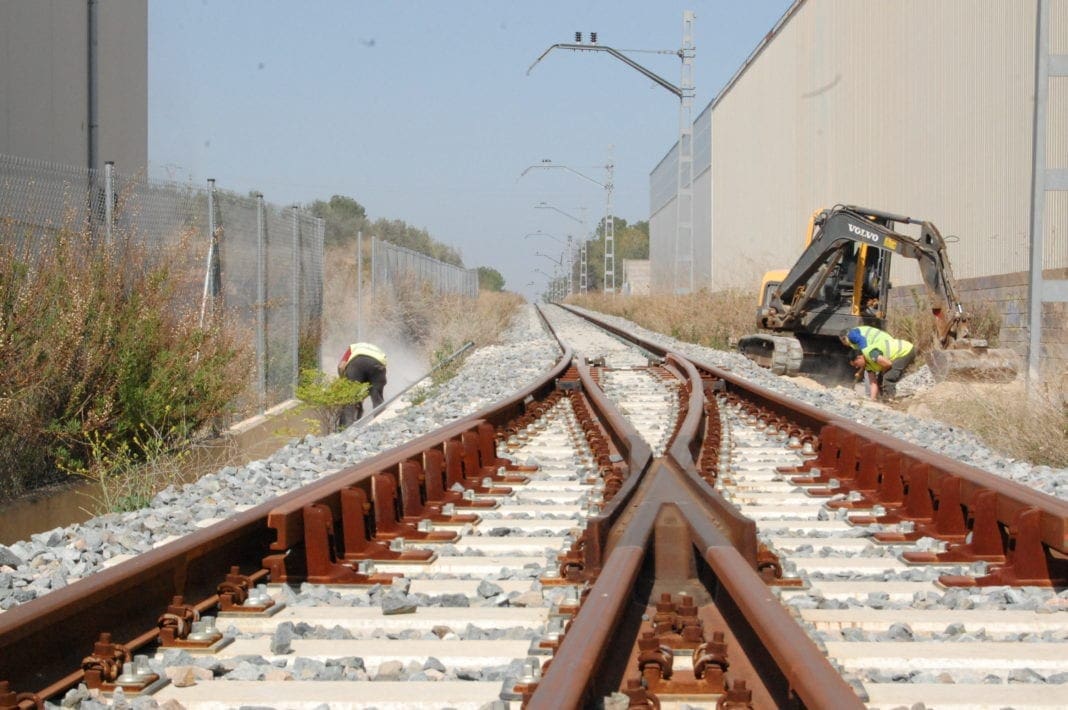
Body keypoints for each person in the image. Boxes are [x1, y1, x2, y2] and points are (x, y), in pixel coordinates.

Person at [842, 325, 916, 400]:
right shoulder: (868, 366)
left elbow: (888, 364)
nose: (856, 367)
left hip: (905, 351)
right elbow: (873, 383)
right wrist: (872, 399)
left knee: (887, 377)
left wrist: (883, 371)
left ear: (859, 357)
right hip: (893, 353)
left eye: (856, 364)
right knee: (879, 380)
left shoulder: (870, 353)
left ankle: (890, 401)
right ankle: (881, 399)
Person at [337, 342, 387, 424]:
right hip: (378, 365)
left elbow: (341, 366)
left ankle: (347, 428)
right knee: (377, 397)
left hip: (357, 363)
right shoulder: (379, 351)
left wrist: (343, 382)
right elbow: (380, 379)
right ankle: (381, 423)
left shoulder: (353, 347)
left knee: (350, 397)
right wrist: (366, 393)